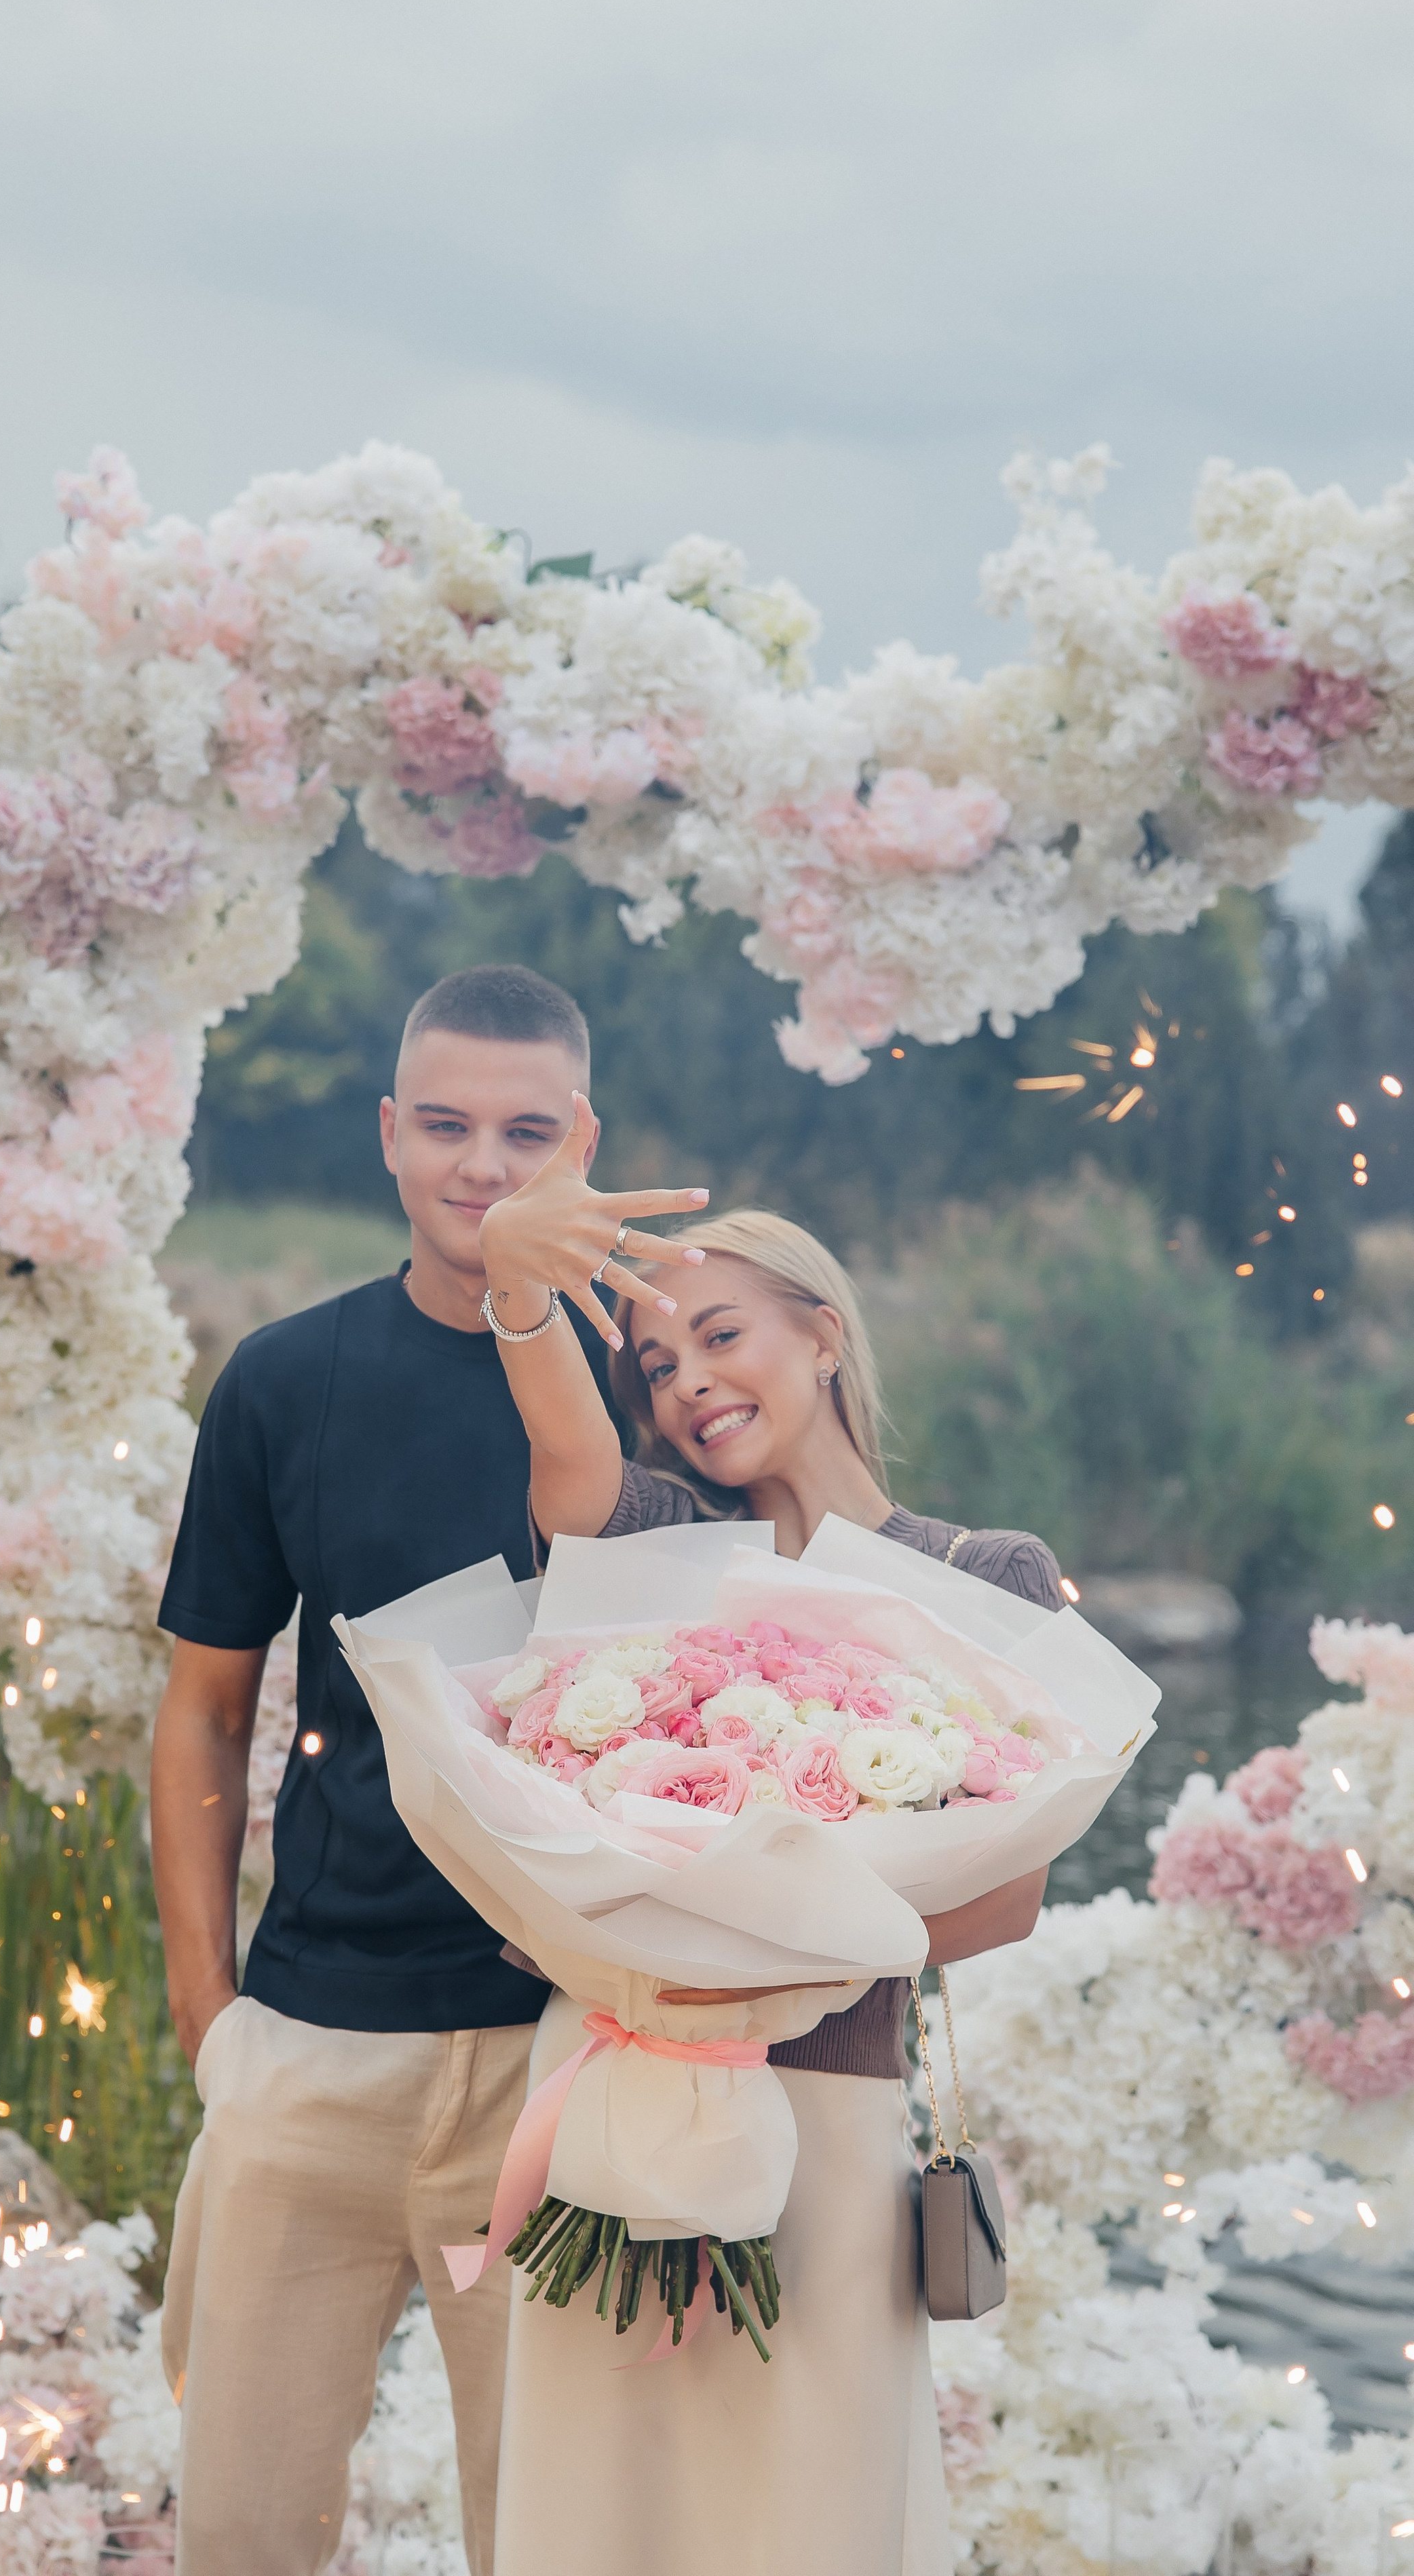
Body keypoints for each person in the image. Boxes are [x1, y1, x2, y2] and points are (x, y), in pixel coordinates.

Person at [151, 972, 709, 2576]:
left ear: (582, 1146)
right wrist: (212, 2019)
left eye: (525, 1132)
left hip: (564, 2059)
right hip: (312, 2049)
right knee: (245, 2537)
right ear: (390, 1137)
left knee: (545, 2542)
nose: (482, 1168)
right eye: (447, 1126)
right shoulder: (282, 1379)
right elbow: (201, 1710)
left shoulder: (653, 1380)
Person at [474, 1100, 1065, 2576]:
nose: (685, 1386)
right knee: (602, 2510)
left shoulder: (986, 1574)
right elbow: (563, 1449)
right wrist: (516, 1286)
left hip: (833, 2122)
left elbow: (1004, 1902)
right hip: (613, 2101)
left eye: (719, 1337)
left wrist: (732, 1947)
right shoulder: (661, 1536)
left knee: (810, 2515)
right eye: (657, 1367)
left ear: (820, 1333)